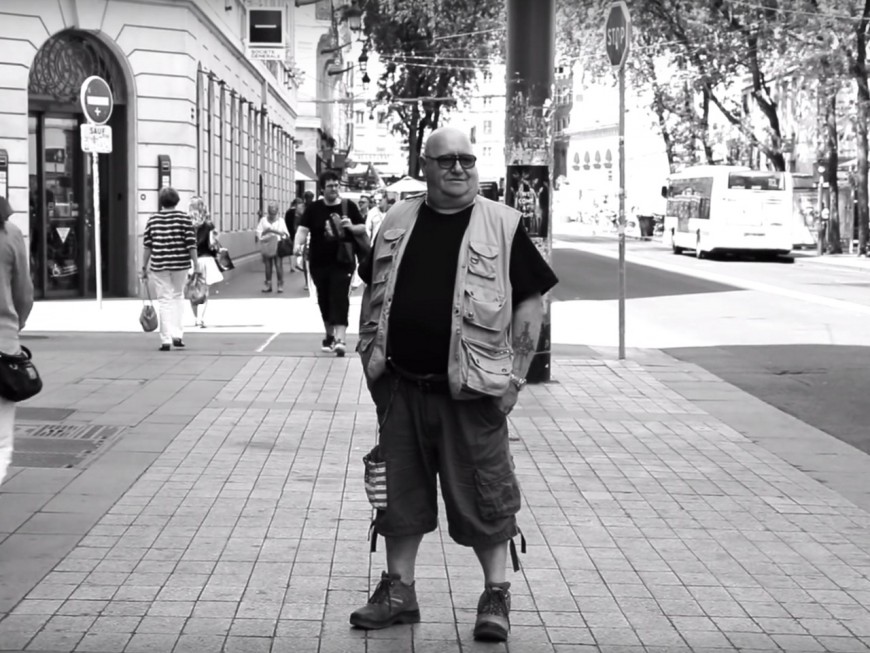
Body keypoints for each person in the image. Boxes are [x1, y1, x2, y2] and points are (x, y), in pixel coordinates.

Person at [352, 127, 558, 642]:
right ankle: (399, 591)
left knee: (486, 494)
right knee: (398, 494)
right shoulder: (396, 219)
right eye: (446, 161)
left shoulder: (503, 223)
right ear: (425, 166)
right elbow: (374, 291)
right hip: (401, 387)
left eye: (467, 159)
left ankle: (495, 596)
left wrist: (515, 377)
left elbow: (531, 300)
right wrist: (370, 361)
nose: (459, 169)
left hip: (474, 393)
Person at [293, 171, 365, 357]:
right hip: (318, 262)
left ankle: (341, 339)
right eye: (330, 186)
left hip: (343, 262)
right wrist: (296, 246)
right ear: (322, 189)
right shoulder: (314, 209)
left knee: (340, 297)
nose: (334, 189)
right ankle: (329, 335)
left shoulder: (348, 206)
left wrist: (350, 226)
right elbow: (302, 230)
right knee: (324, 299)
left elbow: (362, 228)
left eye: (336, 185)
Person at [0, 196, 34, 485]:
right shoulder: (9, 233)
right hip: (3, 342)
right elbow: (23, 291)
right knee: (1, 423)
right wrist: (15, 324)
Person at [142, 187, 198, 351]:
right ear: (177, 201)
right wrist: (196, 264)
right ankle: (177, 335)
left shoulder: (153, 220)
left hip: (159, 264)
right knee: (178, 296)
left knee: (164, 301)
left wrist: (144, 266)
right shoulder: (184, 219)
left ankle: (165, 340)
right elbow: (191, 244)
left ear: (161, 201)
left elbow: (147, 245)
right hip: (180, 264)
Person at [256, 202, 290, 293]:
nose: (272, 215)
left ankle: (280, 285)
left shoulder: (281, 221)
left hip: (278, 244)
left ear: (277, 211)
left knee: (278, 265)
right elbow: (259, 232)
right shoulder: (263, 220)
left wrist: (275, 231)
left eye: (274, 212)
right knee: (268, 265)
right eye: (270, 212)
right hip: (267, 244)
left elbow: (286, 234)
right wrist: (266, 232)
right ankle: (268, 285)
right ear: (268, 211)